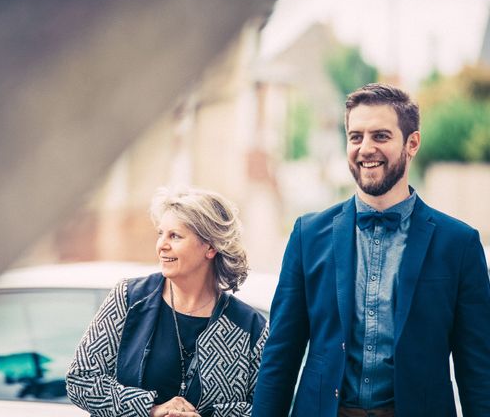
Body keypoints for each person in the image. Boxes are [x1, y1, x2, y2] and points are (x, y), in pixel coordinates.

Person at [252, 83, 490, 417]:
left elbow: (478, 370)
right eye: (355, 137)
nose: (365, 148)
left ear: (412, 144)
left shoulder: (459, 244)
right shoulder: (308, 235)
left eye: (380, 136)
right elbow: (280, 354)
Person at [67, 187, 268, 417]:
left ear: (210, 247)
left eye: (175, 236)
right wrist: (150, 409)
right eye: (160, 234)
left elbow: (267, 408)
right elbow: (81, 380)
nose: (161, 245)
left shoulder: (250, 327)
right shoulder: (129, 298)